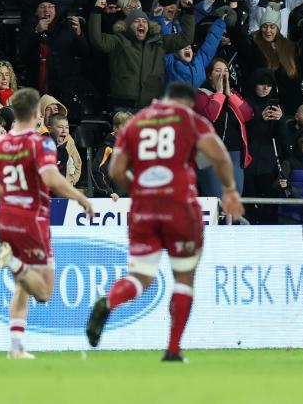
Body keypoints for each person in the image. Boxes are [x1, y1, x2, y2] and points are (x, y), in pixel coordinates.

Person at [86, 81, 244, 362]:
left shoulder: (136, 124)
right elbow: (219, 155)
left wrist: (138, 189)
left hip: (144, 210)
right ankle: (172, 349)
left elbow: (116, 169)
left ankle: (109, 301)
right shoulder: (190, 120)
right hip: (180, 208)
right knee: (184, 279)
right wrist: (230, 191)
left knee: (139, 277)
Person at [0, 88, 94, 359]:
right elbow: (51, 177)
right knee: (45, 292)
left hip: (4, 220)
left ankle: (16, 346)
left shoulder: (0, 143)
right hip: (32, 220)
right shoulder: (41, 143)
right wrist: (79, 196)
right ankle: (12, 261)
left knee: (22, 287)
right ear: (37, 115)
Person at [89, 0, 196, 111]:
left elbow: (186, 39)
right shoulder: (119, 41)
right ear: (128, 25)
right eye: (136, 21)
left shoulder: (159, 43)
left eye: (144, 21)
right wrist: (96, 11)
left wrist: (189, 11)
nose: (141, 23)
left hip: (151, 109)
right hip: (124, 108)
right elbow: (97, 40)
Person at [194, 57, 252, 198]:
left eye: (225, 71)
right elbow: (210, 115)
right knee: (216, 198)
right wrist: (219, 94)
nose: (222, 74)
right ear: (209, 75)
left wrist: (229, 95)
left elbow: (247, 115)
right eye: (218, 70)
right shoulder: (200, 94)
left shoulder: (231, 93)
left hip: (235, 153)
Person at [242, 68, 288, 223]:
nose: (265, 88)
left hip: (269, 165)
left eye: (269, 85)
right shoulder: (245, 104)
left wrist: (281, 120)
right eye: (261, 84)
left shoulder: (276, 107)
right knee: (249, 207)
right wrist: (258, 119)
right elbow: (243, 134)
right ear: (254, 84)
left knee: (269, 209)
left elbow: (284, 139)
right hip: (248, 163)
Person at [17, 0, 86, 101]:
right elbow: (23, 54)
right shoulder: (27, 28)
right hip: (36, 83)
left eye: (51, 7)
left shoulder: (66, 27)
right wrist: (36, 32)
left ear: (56, 10)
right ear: (36, 12)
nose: (47, 10)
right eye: (42, 7)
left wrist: (79, 35)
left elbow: (83, 52)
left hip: (64, 84)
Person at [241, 7, 303, 113]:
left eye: (272, 27)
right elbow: (239, 42)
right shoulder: (254, 46)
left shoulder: (289, 47)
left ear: (278, 29)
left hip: (288, 106)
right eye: (264, 26)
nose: (268, 30)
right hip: (262, 105)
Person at [163, 14, 226, 87]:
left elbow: (211, 43)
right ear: (175, 52)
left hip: (192, 97)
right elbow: (165, 39)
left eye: (189, 47)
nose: (187, 48)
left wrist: (221, 22)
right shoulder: (170, 62)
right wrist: (163, 19)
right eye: (183, 47)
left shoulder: (199, 61)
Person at [92, 111, 132, 200]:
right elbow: (96, 170)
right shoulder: (107, 148)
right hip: (110, 200)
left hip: (127, 198)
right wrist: (108, 191)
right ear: (115, 128)